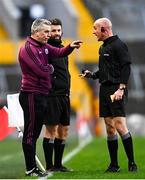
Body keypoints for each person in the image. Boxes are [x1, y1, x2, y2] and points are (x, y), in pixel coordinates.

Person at [18, 18, 82, 177]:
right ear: (36, 32)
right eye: (46, 32)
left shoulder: (43, 46)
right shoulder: (28, 48)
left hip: (41, 95)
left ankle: (34, 168)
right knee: (30, 134)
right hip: (31, 95)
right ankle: (30, 169)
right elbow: (41, 70)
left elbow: (58, 52)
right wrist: (50, 68)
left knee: (35, 133)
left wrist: (70, 48)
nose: (49, 35)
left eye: (50, 31)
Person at [80, 17, 138, 172]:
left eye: (95, 29)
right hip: (104, 89)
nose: (93, 32)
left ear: (104, 29)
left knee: (119, 124)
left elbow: (126, 68)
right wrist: (92, 75)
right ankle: (114, 165)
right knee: (109, 127)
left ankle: (132, 163)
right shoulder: (103, 47)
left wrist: (121, 88)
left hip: (116, 89)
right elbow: (105, 70)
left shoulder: (119, 45)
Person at [43, 18, 72, 172]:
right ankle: (49, 166)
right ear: (48, 33)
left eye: (58, 30)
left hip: (65, 95)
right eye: (53, 30)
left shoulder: (63, 49)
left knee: (64, 129)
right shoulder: (45, 50)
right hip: (52, 96)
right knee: (51, 130)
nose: (56, 33)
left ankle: (59, 165)